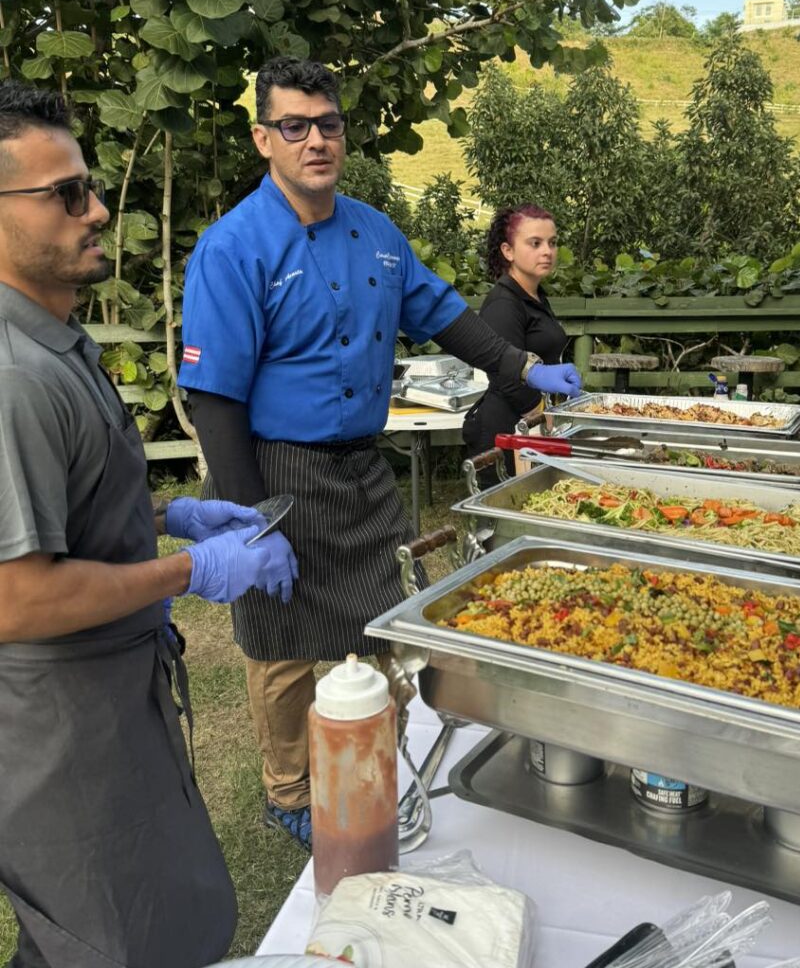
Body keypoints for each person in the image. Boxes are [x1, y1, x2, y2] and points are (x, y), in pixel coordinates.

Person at [177, 56, 582, 851]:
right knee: (284, 644)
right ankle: (290, 791)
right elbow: (215, 398)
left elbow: (446, 314)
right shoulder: (233, 249)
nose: (315, 139)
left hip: (363, 466)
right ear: (265, 138)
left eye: (328, 123)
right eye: (295, 126)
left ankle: (370, 755)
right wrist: (247, 519)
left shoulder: (376, 232)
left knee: (383, 621)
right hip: (275, 464)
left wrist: (522, 367)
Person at [0, 80, 299, 968]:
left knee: (161, 908)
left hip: (113, 699)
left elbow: (65, 510)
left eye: (87, 186)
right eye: (65, 195)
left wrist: (170, 516)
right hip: (61, 731)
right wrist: (192, 572)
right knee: (111, 935)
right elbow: (15, 597)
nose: (96, 210)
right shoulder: (13, 377)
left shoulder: (57, 340)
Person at [462, 205, 568, 483]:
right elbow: (505, 375)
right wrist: (543, 418)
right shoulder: (503, 303)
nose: (547, 251)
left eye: (552, 243)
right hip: (506, 432)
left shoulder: (534, 296)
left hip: (531, 427)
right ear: (508, 251)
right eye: (535, 243)